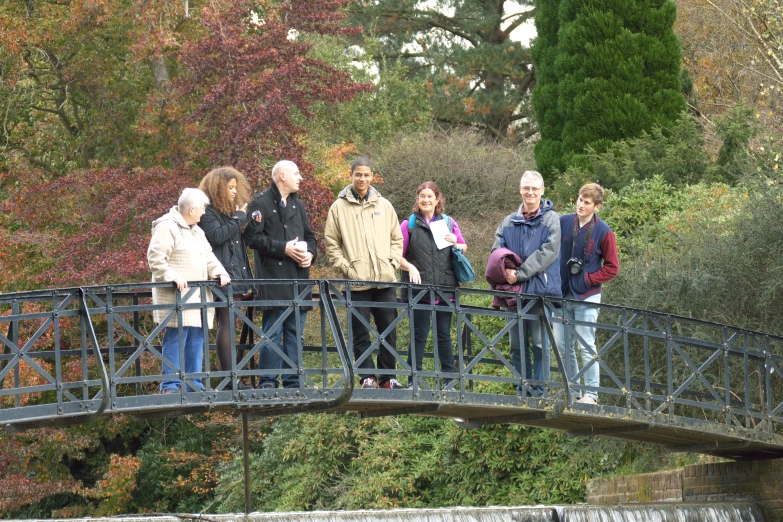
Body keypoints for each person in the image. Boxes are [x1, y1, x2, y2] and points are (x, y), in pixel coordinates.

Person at [324, 157, 405, 389]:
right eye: (358, 174)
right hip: (356, 282)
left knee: (388, 330)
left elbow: (396, 239)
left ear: (372, 177)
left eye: (366, 175)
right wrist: (347, 270)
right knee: (360, 331)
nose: (362, 179)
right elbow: (331, 244)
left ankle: (388, 378)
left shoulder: (385, 205)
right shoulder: (338, 207)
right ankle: (366, 377)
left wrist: (391, 264)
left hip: (385, 280)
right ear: (351, 175)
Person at [148, 188, 231, 394]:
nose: (204, 212)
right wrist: (171, 276)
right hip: (176, 296)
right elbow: (156, 259)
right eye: (202, 208)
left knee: (196, 338)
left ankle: (194, 384)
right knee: (176, 338)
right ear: (192, 209)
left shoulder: (196, 230)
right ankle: (170, 386)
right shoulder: (167, 226)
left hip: (198, 297)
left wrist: (220, 272)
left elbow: (209, 256)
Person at [243, 160, 317, 389]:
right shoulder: (259, 203)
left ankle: (293, 381)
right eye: (296, 173)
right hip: (273, 278)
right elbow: (251, 239)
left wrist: (311, 255)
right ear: (282, 176)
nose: (300, 177)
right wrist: (282, 248)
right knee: (272, 332)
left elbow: (311, 237)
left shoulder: (299, 205)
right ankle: (268, 381)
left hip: (299, 278)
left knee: (296, 333)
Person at [492, 170, 561, 395]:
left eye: (534, 188)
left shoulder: (551, 219)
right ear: (520, 190)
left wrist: (520, 273)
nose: (530, 192)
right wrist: (507, 270)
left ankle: (540, 391)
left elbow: (548, 252)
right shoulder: (508, 221)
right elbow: (496, 251)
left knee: (540, 344)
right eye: (526, 188)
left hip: (541, 290)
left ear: (542, 191)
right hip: (513, 293)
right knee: (516, 345)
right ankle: (524, 389)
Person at [554, 183, 619, 405]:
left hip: (588, 296)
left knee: (586, 345)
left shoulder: (604, 231)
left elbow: (613, 267)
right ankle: (571, 391)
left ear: (597, 207)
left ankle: (590, 394)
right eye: (580, 199)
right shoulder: (563, 222)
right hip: (561, 294)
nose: (581, 205)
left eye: (587, 202)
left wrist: (588, 279)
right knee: (562, 346)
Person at [399, 182, 467, 388]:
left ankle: (449, 380)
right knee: (419, 334)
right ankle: (414, 380)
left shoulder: (448, 222)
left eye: (430, 196)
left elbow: (463, 247)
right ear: (417, 199)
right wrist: (410, 267)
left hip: (446, 288)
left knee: (444, 334)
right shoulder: (408, 224)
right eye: (422, 196)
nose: (426, 200)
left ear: (437, 199)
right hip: (419, 289)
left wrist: (456, 241)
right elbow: (396, 256)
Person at [198, 167, 254, 390]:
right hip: (220, 278)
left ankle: (234, 377)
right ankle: (229, 379)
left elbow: (241, 244)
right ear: (218, 188)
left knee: (233, 323)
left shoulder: (230, 212)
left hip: (237, 276)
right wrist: (238, 218)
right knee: (226, 323)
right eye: (230, 187)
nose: (234, 191)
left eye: (235, 187)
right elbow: (217, 236)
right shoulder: (207, 212)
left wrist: (251, 222)